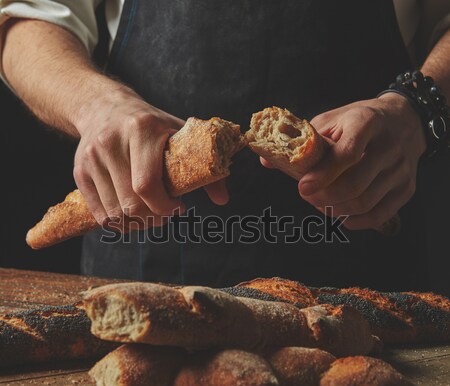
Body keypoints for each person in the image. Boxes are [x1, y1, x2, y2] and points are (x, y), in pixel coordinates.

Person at [0, 0, 449, 292]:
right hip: (147, 284)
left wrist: (414, 110)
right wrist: (98, 105)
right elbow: (29, 16)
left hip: (371, 286)